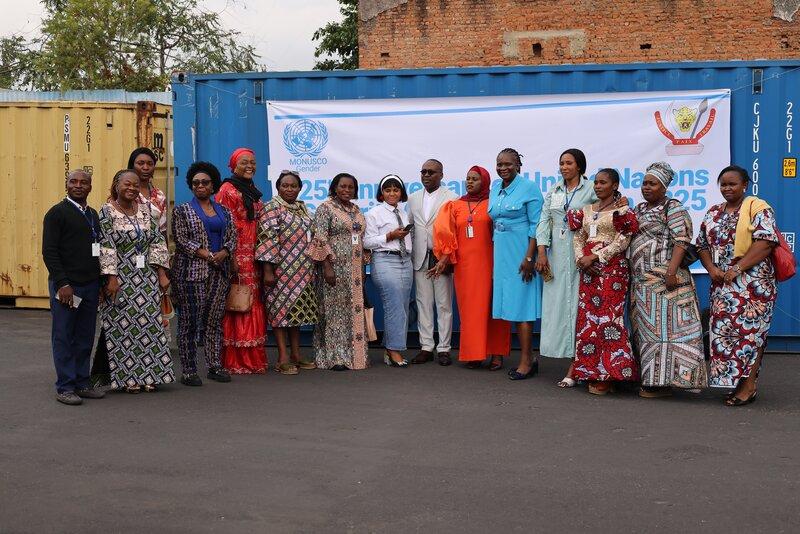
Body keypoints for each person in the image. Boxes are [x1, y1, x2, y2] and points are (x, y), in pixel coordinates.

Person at [696, 165, 779, 406]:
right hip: (722, 286)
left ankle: (749, 386)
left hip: (753, 286)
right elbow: (701, 244)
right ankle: (736, 382)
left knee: (752, 335)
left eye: (733, 184)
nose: (727, 188)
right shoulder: (713, 213)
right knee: (727, 335)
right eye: (723, 184)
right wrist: (712, 269)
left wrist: (736, 269)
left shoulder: (758, 209)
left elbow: (766, 242)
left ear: (745, 185)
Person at [630, 162, 707, 397]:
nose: (647, 187)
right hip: (642, 283)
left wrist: (671, 271)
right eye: (644, 183)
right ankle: (652, 380)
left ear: (664, 187)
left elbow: (682, 240)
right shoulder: (639, 209)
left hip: (667, 282)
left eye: (652, 183)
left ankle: (669, 382)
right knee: (648, 333)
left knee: (671, 333)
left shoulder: (672, 208)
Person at [98, 170, 173, 393]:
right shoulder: (107, 211)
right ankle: (128, 379)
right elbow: (106, 246)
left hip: (146, 276)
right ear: (116, 185)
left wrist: (161, 273)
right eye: (126, 184)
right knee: (123, 328)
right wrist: (111, 278)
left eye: (135, 184)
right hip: (121, 278)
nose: (131, 188)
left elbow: (157, 242)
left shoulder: (147, 210)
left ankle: (150, 375)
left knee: (149, 326)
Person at [567, 168, 639, 395]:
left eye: (603, 183)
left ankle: (611, 374)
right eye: (596, 183)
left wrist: (596, 256)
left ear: (615, 185)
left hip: (612, 272)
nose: (598, 186)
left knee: (609, 320)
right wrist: (581, 258)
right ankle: (590, 371)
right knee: (589, 321)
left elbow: (623, 240)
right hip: (588, 272)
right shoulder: (587, 210)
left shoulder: (624, 211)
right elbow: (579, 236)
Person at [433, 165, 511, 369]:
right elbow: (446, 233)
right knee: (470, 312)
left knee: (494, 309)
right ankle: (474, 354)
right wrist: (444, 259)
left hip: (492, 263)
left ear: (484, 181)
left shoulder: (494, 203)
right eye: (468, 178)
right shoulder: (455, 205)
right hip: (466, 268)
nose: (470, 182)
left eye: (475, 179)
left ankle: (497, 354)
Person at [534, 149, 597, 387]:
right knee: (560, 308)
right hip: (557, 256)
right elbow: (544, 221)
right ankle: (572, 360)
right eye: (561, 163)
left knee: (582, 308)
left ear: (579, 166)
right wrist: (542, 251)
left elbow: (603, 216)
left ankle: (577, 365)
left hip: (582, 256)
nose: (564, 167)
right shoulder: (555, 190)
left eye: (569, 163)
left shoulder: (591, 189)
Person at [42, 170, 105, 405]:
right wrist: (62, 283)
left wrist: (99, 283)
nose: (78, 186)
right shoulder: (57, 214)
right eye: (73, 182)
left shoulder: (93, 214)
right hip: (68, 286)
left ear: (90, 187)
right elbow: (49, 251)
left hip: (90, 285)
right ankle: (65, 387)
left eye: (84, 182)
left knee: (85, 336)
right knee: (64, 336)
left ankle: (82, 382)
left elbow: (97, 251)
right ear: (66, 185)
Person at [172, 162, 236, 386]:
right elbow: (181, 240)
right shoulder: (182, 210)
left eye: (205, 182)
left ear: (213, 185)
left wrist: (225, 252)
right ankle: (189, 370)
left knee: (214, 321)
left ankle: (214, 366)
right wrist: (209, 255)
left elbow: (232, 237)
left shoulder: (225, 211)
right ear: (191, 186)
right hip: (191, 273)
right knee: (189, 323)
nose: (200, 186)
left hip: (220, 272)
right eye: (196, 183)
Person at [488, 148, 544, 380]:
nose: (503, 168)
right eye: (499, 164)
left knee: (523, 307)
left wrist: (530, 257)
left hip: (521, 252)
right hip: (501, 253)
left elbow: (536, 225)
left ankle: (526, 361)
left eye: (508, 164)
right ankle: (527, 357)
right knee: (511, 305)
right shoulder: (494, 187)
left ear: (518, 166)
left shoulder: (529, 188)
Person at [256, 170, 318, 375]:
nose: (289, 189)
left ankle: (296, 355)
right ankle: (282, 357)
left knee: (296, 314)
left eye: (293, 186)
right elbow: (267, 239)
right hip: (280, 271)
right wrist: (268, 271)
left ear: (300, 188)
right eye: (285, 185)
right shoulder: (272, 207)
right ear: (278, 188)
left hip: (302, 271)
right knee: (280, 313)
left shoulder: (302, 209)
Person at [308, 173, 370, 371]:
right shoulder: (325, 209)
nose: (346, 190)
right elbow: (319, 239)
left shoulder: (356, 210)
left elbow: (362, 240)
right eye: (342, 186)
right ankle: (336, 358)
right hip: (333, 268)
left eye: (350, 187)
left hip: (354, 271)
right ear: (335, 187)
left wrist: (363, 268)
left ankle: (356, 357)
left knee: (353, 311)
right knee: (334, 312)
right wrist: (327, 267)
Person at [215, 147, 268, 374]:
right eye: (244, 162)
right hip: (238, 254)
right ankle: (237, 359)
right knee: (239, 303)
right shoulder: (228, 189)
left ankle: (252, 358)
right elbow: (225, 225)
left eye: (253, 162)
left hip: (254, 253)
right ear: (233, 165)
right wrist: (233, 256)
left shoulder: (251, 189)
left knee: (251, 301)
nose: (249, 166)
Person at [407, 159, 458, 365]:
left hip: (442, 259)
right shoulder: (412, 198)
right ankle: (426, 347)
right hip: (420, 258)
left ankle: (444, 348)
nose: (426, 175)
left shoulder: (452, 198)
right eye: (423, 172)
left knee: (444, 305)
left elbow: (454, 230)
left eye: (431, 172)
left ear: (441, 175)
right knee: (423, 304)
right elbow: (410, 226)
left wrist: (446, 257)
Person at [364, 174, 413, 368]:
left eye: (396, 190)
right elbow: (367, 242)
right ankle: (394, 350)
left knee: (402, 305)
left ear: (401, 193)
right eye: (388, 190)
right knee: (394, 305)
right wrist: (389, 236)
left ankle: (389, 348)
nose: (392, 193)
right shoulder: (374, 213)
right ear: (381, 193)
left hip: (405, 260)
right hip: (385, 260)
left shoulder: (404, 213)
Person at [128, 147, 167, 236]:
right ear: (132, 166)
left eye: (150, 164)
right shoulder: (125, 192)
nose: (145, 167)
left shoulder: (159, 195)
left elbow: (163, 230)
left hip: (155, 247)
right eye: (140, 163)